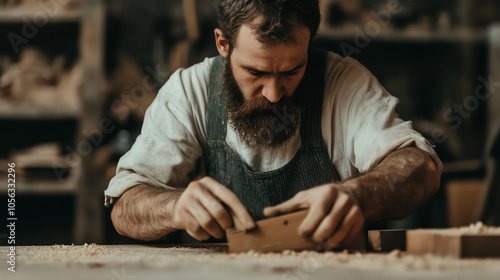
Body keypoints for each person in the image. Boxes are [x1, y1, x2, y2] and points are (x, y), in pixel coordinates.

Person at [105, 0, 442, 247]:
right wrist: (174, 206)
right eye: (256, 72)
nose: (275, 93)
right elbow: (124, 207)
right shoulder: (188, 93)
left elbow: (420, 166)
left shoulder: (344, 83)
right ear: (223, 43)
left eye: (293, 71)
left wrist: (359, 194)